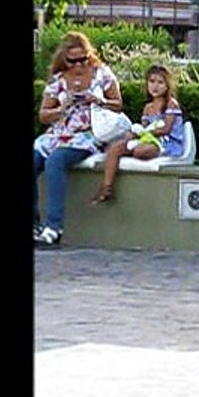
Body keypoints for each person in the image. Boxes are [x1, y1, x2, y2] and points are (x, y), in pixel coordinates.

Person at [33, 31, 124, 247]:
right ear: (64, 58)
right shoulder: (58, 80)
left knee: (55, 161)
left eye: (83, 59)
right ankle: (34, 224)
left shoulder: (101, 74)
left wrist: (99, 100)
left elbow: (118, 104)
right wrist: (62, 108)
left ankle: (54, 227)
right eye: (73, 61)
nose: (78, 65)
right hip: (59, 132)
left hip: (87, 134)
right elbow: (44, 115)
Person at [90, 64, 186, 205]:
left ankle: (135, 151)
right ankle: (106, 187)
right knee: (116, 148)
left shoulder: (171, 104)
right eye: (152, 81)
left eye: (160, 82)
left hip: (164, 142)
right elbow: (143, 126)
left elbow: (166, 129)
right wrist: (133, 133)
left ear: (167, 85)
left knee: (141, 151)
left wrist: (144, 133)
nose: (155, 86)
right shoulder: (147, 107)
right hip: (146, 139)